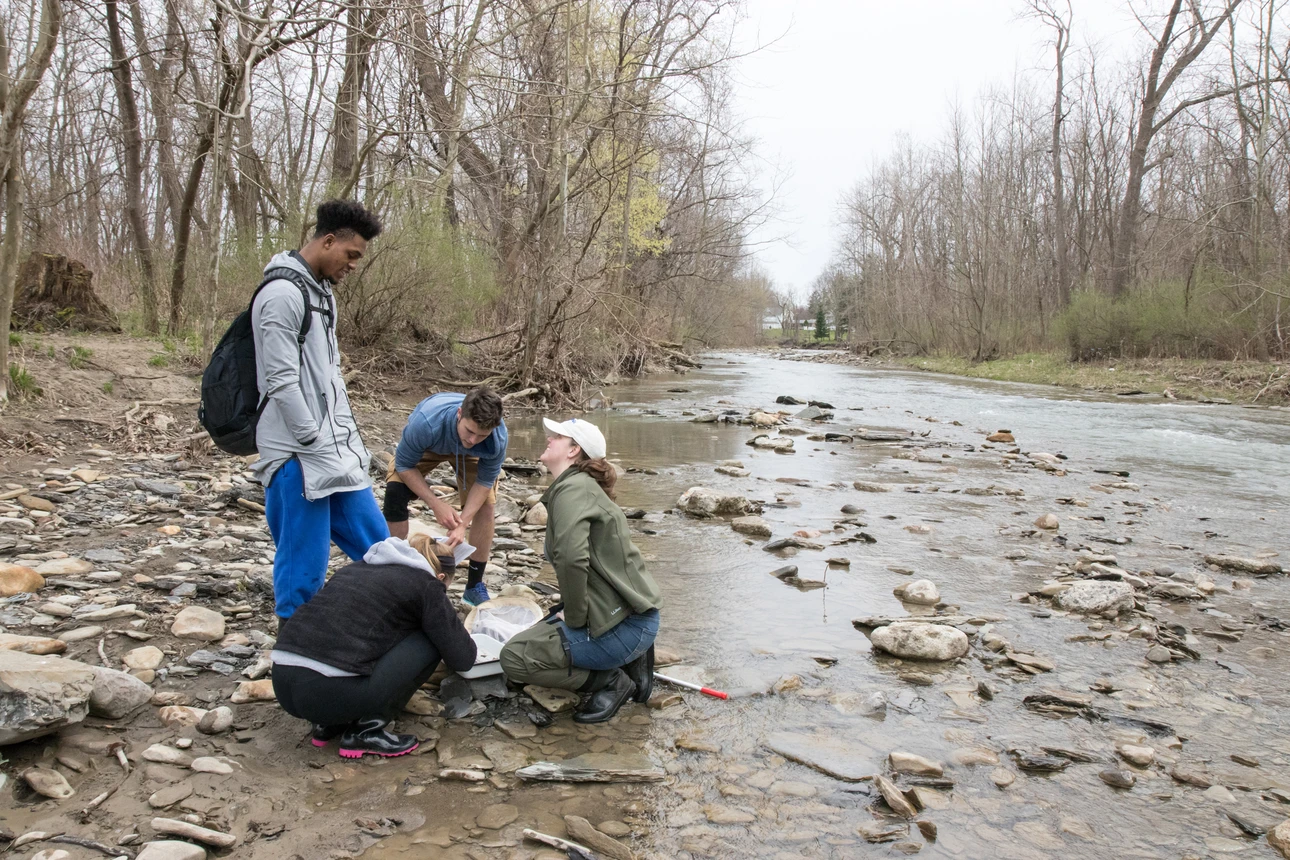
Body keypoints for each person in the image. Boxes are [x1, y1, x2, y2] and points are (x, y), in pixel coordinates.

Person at [252, 200, 389, 622]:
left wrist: (348, 444)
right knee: (303, 566)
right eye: (351, 256)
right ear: (328, 241)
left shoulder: (322, 295)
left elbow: (326, 376)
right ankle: (293, 652)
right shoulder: (281, 294)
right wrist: (310, 438)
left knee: (380, 547)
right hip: (295, 456)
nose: (353, 266)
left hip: (334, 451)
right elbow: (280, 381)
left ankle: (392, 620)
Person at [499, 417, 662, 724]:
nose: (548, 438)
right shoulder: (578, 487)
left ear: (574, 450)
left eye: (557, 436)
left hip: (626, 626)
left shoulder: (573, 490)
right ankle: (632, 658)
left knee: (513, 658)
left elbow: (573, 559)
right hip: (632, 616)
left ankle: (613, 681)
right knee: (539, 632)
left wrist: (575, 617)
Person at [271, 533, 477, 758]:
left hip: (283, 682)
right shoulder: (426, 584)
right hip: (328, 693)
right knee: (431, 639)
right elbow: (462, 658)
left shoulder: (354, 569)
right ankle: (365, 731)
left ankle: (328, 724)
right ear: (440, 576)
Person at [383, 388, 507, 607]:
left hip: (472, 457)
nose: (473, 439)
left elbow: (485, 482)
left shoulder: (495, 438)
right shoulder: (426, 423)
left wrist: (463, 524)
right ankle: (396, 571)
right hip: (432, 444)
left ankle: (474, 586)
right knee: (395, 493)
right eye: (470, 430)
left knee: (486, 506)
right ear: (460, 414)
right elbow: (404, 465)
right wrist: (435, 503)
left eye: (481, 435)